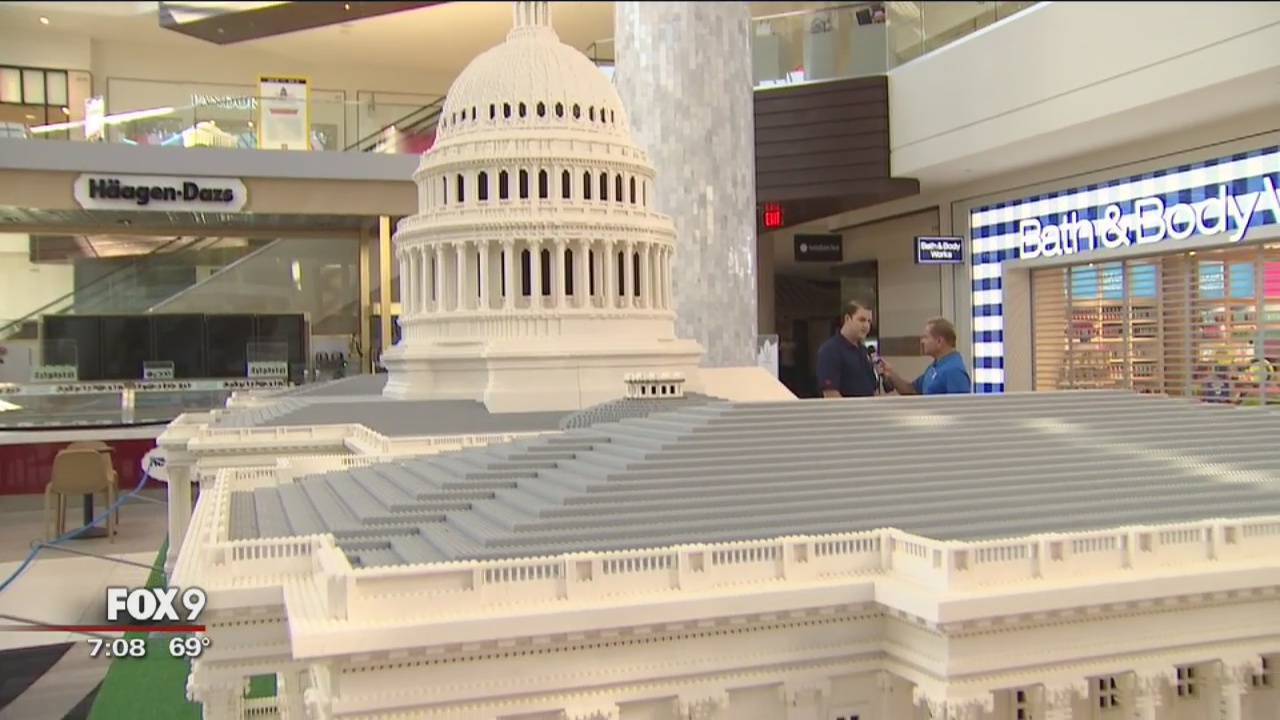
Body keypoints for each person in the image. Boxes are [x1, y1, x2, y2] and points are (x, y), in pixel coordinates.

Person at [877, 317, 972, 395]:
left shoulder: (954, 371)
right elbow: (911, 390)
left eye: (926, 337)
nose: (922, 341)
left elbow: (959, 410)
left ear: (939, 341)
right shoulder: (935, 366)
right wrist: (890, 372)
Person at [815, 300, 879, 398]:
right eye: (862, 320)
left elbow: (872, 389)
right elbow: (831, 394)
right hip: (846, 411)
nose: (866, 326)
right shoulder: (830, 350)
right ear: (847, 318)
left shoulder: (863, 351)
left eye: (869, 321)